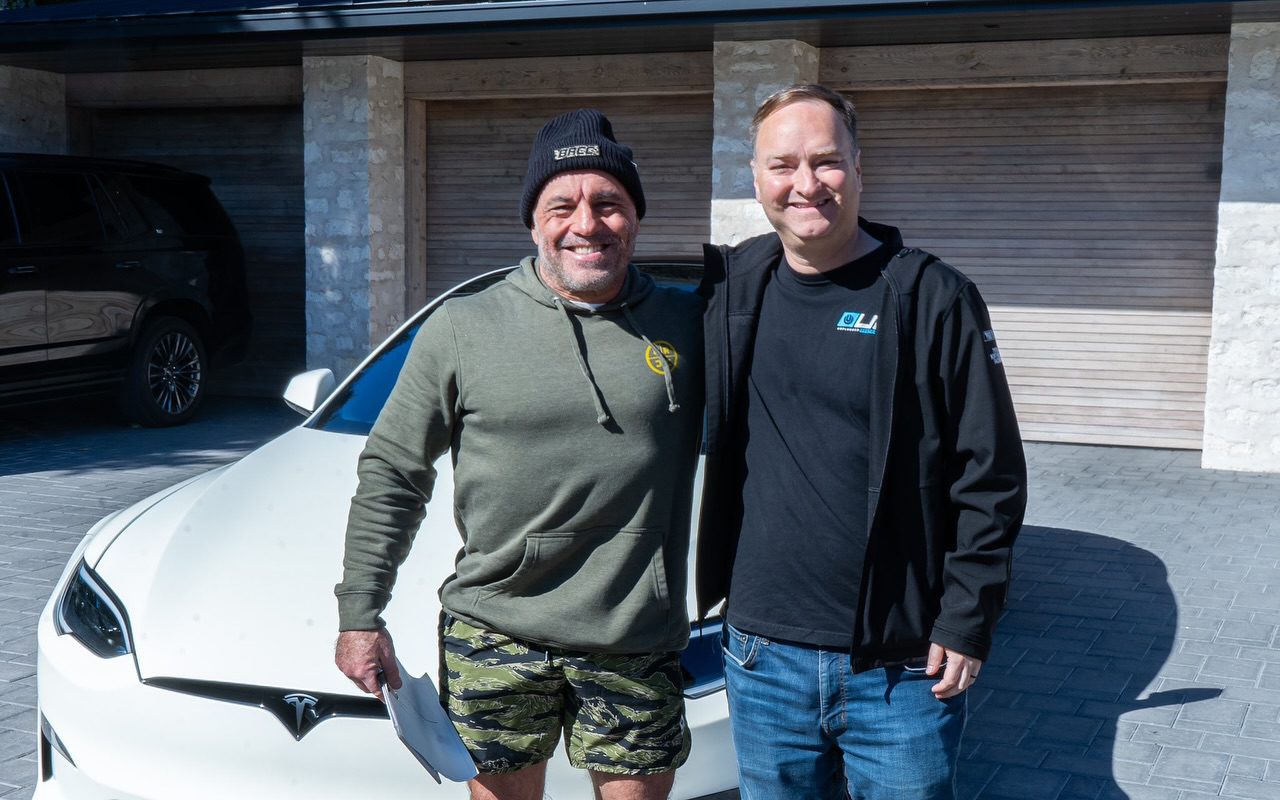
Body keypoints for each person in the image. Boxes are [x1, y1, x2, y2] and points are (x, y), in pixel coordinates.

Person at [334, 108, 703, 800]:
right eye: (561, 205)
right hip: (495, 634)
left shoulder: (690, 322)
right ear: (533, 221)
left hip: (635, 638)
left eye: (609, 204)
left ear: (637, 219)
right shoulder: (464, 326)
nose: (586, 224)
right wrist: (361, 614)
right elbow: (393, 473)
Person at [695, 84, 1027, 799]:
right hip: (759, 657)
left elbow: (990, 472)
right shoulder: (734, 286)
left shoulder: (932, 297)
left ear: (858, 166)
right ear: (755, 178)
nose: (805, 184)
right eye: (782, 165)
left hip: (900, 667)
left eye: (826, 161)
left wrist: (968, 618)